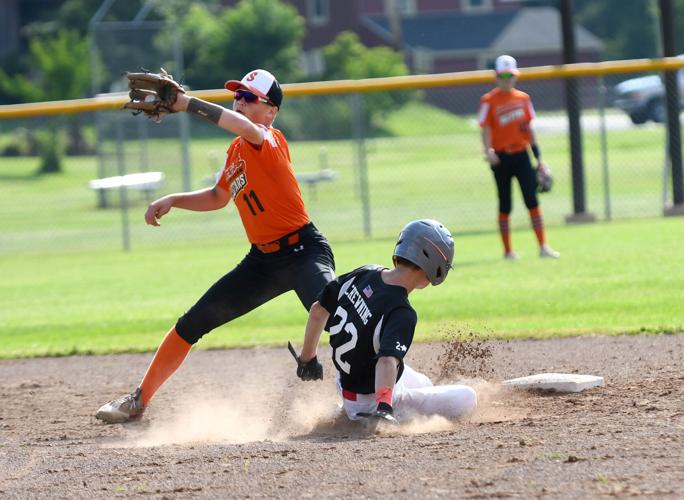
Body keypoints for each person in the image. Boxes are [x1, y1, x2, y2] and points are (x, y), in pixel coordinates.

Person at [95, 69, 336, 423]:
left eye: (249, 98)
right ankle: (138, 400)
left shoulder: (268, 139)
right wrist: (174, 199)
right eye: (238, 96)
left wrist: (186, 103)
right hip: (262, 264)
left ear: (270, 112)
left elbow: (246, 129)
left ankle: (387, 390)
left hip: (303, 251)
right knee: (191, 323)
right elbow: (218, 196)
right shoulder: (237, 151)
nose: (239, 101)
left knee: (341, 317)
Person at [291, 219, 477, 423]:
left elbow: (318, 311)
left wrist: (307, 359)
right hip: (369, 402)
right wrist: (384, 408)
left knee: (423, 382)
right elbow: (386, 361)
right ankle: (369, 412)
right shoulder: (401, 311)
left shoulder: (365, 273)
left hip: (344, 382)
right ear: (435, 266)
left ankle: (352, 407)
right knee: (468, 397)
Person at [478, 54, 560, 260]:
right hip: (501, 158)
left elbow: (529, 129)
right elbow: (486, 128)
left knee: (532, 200)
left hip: (522, 155)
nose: (507, 79)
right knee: (505, 203)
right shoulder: (489, 100)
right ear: (496, 76)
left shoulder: (523, 99)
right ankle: (507, 252)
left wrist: (539, 158)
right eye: (503, 75)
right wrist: (488, 151)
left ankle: (543, 247)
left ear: (516, 76)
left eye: (511, 75)